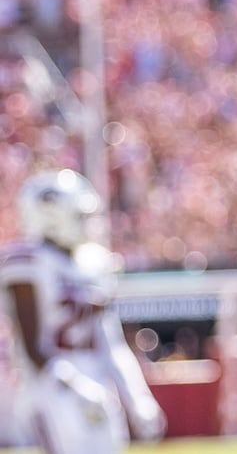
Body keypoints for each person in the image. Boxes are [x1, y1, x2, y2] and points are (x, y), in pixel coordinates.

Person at [0, 169, 166, 453]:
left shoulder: (95, 263)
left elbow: (110, 341)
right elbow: (32, 348)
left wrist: (136, 396)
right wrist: (76, 386)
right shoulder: (28, 261)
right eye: (80, 216)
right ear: (52, 217)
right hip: (51, 388)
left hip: (98, 384)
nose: (88, 224)